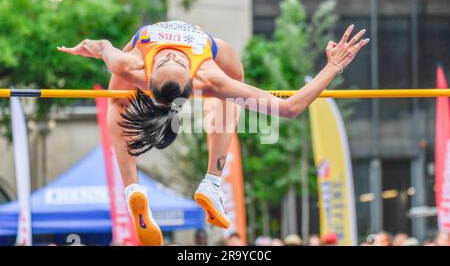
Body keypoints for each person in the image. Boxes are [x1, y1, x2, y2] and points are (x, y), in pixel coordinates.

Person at [57, 20, 369, 245]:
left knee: (123, 98)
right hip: (202, 71)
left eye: (172, 58)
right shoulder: (190, 74)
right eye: (168, 59)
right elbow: (290, 108)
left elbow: (102, 47)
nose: (172, 54)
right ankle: (200, 184)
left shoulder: (135, 64)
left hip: (176, 70)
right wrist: (334, 66)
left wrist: (85, 47)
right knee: (121, 103)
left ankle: (143, 189)